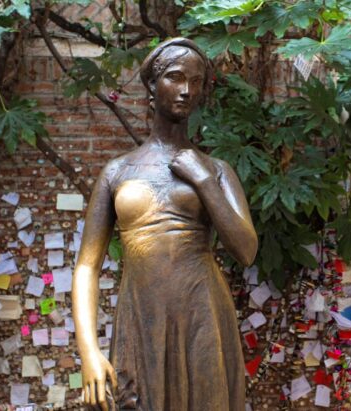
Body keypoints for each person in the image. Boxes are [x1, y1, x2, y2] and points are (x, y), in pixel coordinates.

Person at [72, 37, 258, 411]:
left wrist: (203, 180)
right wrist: (88, 351)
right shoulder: (118, 171)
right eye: (175, 77)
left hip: (201, 311)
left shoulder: (217, 170)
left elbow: (247, 250)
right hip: (141, 314)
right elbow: (87, 267)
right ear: (153, 86)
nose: (186, 89)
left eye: (196, 81)